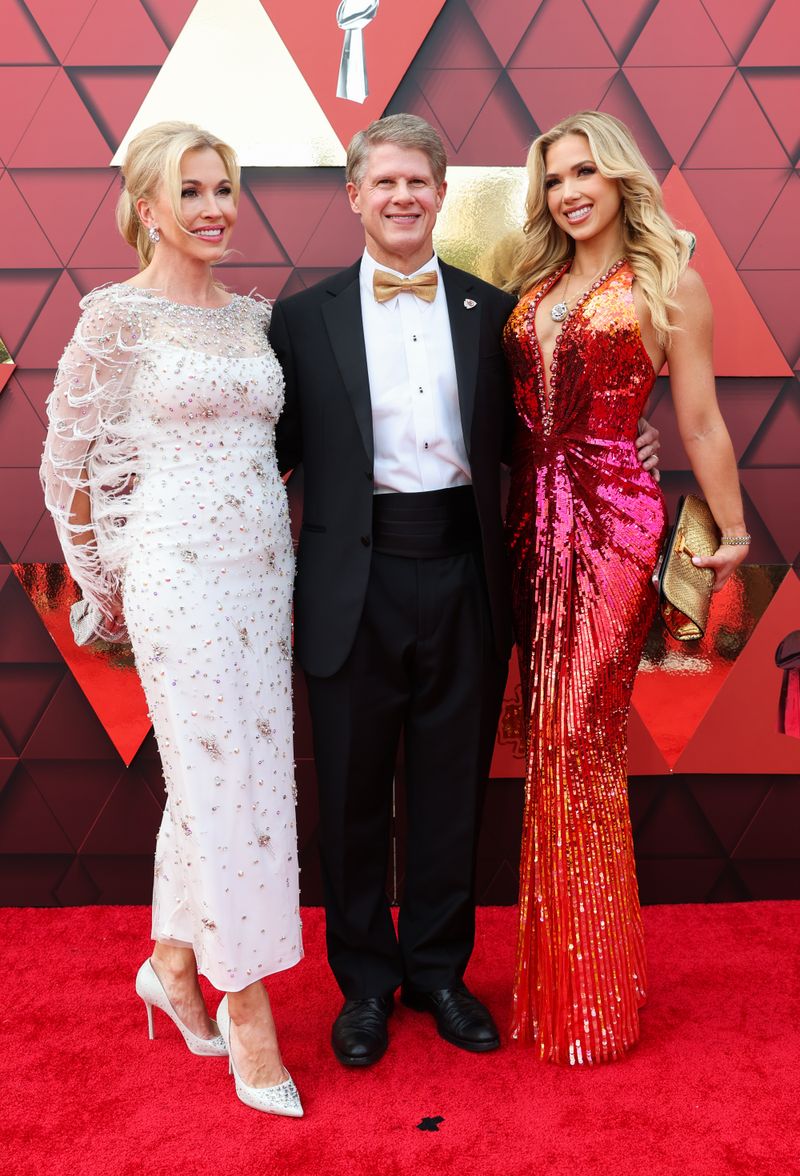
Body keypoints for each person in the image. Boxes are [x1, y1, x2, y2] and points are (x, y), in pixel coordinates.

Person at [269, 113, 660, 1068]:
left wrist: (630, 447)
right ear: (355, 195)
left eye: (420, 182)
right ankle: (363, 985)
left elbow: (550, 433)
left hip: (464, 575)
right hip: (349, 583)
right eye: (385, 182)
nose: (404, 197)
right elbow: (265, 458)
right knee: (355, 796)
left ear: (443, 196)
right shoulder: (299, 317)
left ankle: (439, 973)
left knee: (450, 792)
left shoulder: (496, 314)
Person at [40, 121, 303, 1116]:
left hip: (258, 579)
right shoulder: (115, 319)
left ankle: (172, 965)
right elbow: (67, 467)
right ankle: (245, 1007)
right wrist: (103, 587)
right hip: (174, 578)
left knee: (227, 781)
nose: (214, 208)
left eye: (224, 188)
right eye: (190, 192)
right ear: (147, 207)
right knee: (220, 778)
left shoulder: (249, 319)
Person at [503, 110, 750, 1065]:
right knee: (545, 738)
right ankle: (565, 978)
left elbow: (700, 421)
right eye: (555, 177)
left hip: (613, 522)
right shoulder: (532, 283)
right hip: (528, 522)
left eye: (584, 172)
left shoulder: (670, 284)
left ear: (618, 179)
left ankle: (593, 992)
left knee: (579, 732)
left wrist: (729, 532)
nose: (569, 190)